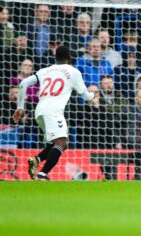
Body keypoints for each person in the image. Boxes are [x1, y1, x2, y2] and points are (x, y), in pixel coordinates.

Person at [13, 46, 95, 180]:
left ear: (55, 58)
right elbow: (86, 96)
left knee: (56, 143)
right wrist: (93, 95)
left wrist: (20, 107)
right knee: (61, 143)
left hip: (39, 111)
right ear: (69, 58)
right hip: (53, 111)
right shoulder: (73, 71)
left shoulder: (45, 70)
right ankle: (42, 174)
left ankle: (36, 159)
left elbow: (23, 83)